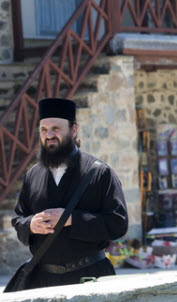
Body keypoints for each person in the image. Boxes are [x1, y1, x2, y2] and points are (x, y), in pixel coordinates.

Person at [12, 98, 129, 289]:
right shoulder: (33, 175)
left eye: (56, 129)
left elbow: (118, 223)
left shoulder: (100, 173)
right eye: (43, 130)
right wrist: (31, 224)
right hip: (43, 282)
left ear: (73, 130)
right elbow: (18, 219)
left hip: (92, 279)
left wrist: (71, 219)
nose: (49, 135)